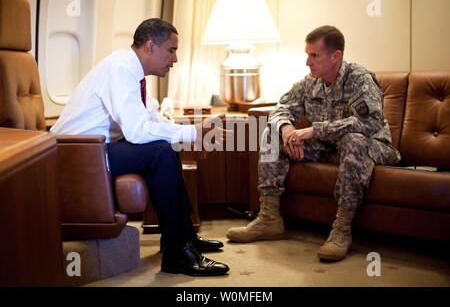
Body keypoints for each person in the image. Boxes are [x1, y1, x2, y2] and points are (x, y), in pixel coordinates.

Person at [51, 18, 230, 276]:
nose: (175, 59)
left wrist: (194, 134)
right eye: (171, 50)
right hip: (77, 155)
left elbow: (150, 119)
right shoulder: (121, 69)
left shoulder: (132, 72)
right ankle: (177, 253)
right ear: (150, 46)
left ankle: (183, 238)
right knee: (161, 151)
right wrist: (192, 132)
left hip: (95, 149)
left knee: (166, 146)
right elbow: (137, 131)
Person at [226, 25, 401, 261]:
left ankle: (341, 229)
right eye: (307, 54)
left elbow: (368, 123)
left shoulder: (360, 79)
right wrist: (288, 130)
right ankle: (269, 218)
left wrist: (313, 130)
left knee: (354, 140)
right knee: (272, 132)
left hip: (372, 147)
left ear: (335, 56)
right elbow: (281, 108)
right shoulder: (310, 83)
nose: (308, 62)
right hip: (330, 149)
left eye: (314, 55)